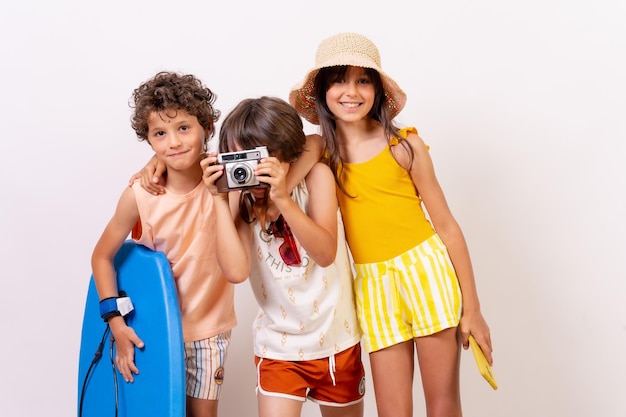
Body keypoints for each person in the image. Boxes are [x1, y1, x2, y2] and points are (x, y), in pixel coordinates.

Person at [287, 32, 493, 417]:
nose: (351, 92)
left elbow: (447, 227)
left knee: (443, 403)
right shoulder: (320, 151)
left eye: (363, 79)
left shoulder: (404, 145)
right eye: (339, 80)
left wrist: (473, 309)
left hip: (426, 271)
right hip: (372, 285)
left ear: (378, 90)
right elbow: (277, 185)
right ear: (322, 91)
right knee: (392, 410)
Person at [201, 96, 365, 417]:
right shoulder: (241, 200)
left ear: (287, 151)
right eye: (240, 159)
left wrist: (282, 197)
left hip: (337, 340)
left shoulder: (316, 178)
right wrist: (220, 200)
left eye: (260, 158)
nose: (253, 171)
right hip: (278, 347)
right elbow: (235, 271)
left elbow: (325, 253)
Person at [91, 71, 239, 417]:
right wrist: (116, 323)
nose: (173, 143)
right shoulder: (140, 195)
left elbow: (307, 147)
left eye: (184, 128)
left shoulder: (226, 180)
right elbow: (101, 257)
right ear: (149, 140)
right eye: (160, 134)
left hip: (208, 334)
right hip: (151, 328)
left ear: (205, 125)